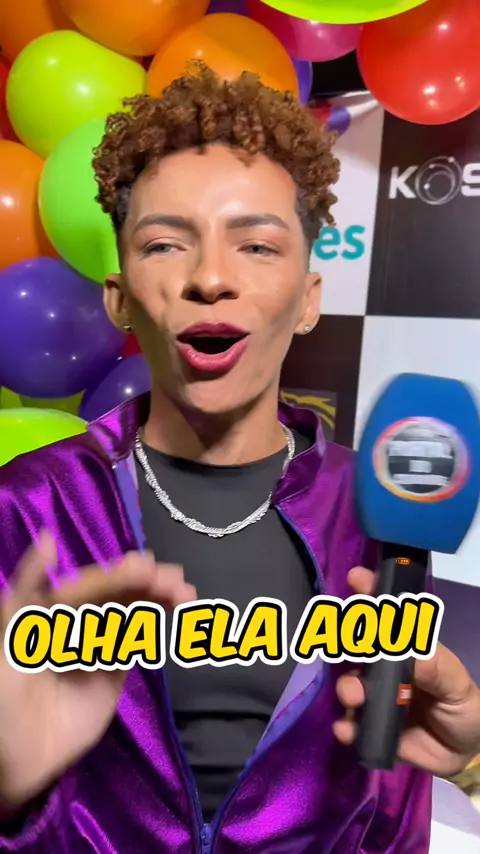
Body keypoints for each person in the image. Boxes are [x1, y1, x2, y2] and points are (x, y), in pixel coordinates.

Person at [0, 64, 479, 854]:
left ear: (310, 297)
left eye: (256, 244)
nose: (211, 278)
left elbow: (388, 797)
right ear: (119, 298)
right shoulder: (26, 508)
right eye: (165, 243)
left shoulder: (375, 507)